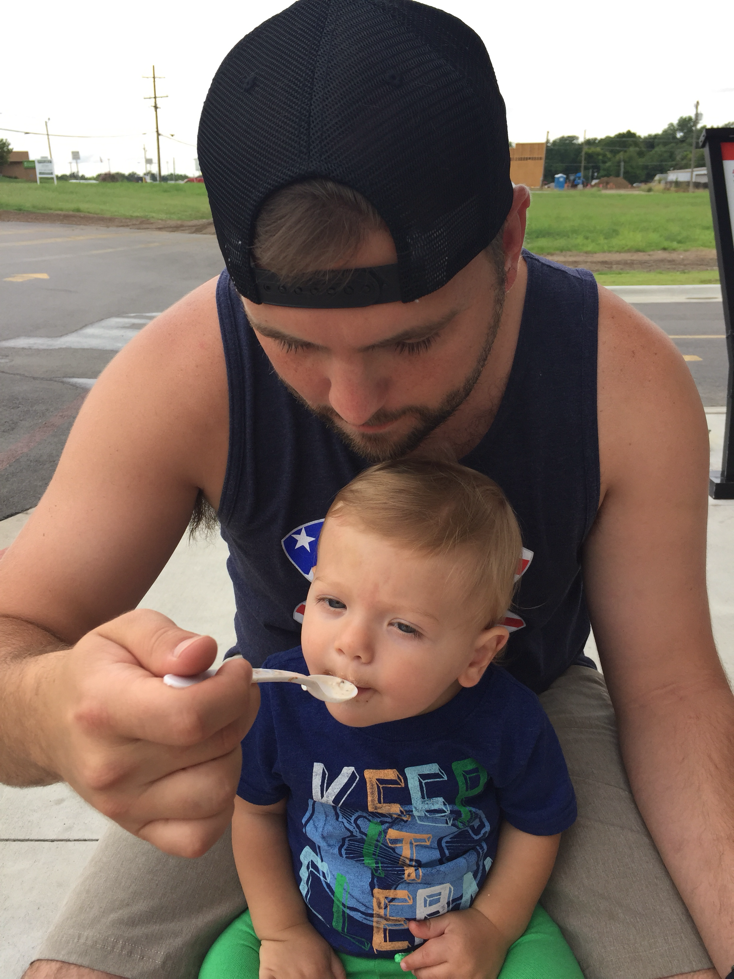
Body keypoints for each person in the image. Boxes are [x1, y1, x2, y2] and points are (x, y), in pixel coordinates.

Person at [0, 1, 730, 978]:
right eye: (287, 342)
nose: (354, 403)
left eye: (412, 339)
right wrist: (48, 709)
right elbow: (17, 633)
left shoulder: (619, 382)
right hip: (277, 712)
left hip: (532, 702)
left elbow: (670, 690)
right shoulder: (183, 375)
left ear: (508, 237)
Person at [200, 460, 583, 979]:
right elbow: (255, 814)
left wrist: (493, 927)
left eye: (403, 626)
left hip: (470, 935)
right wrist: (282, 931)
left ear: (476, 657)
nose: (351, 644)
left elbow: (537, 825)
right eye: (333, 601)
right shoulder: (278, 703)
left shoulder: (507, 719)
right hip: (311, 929)